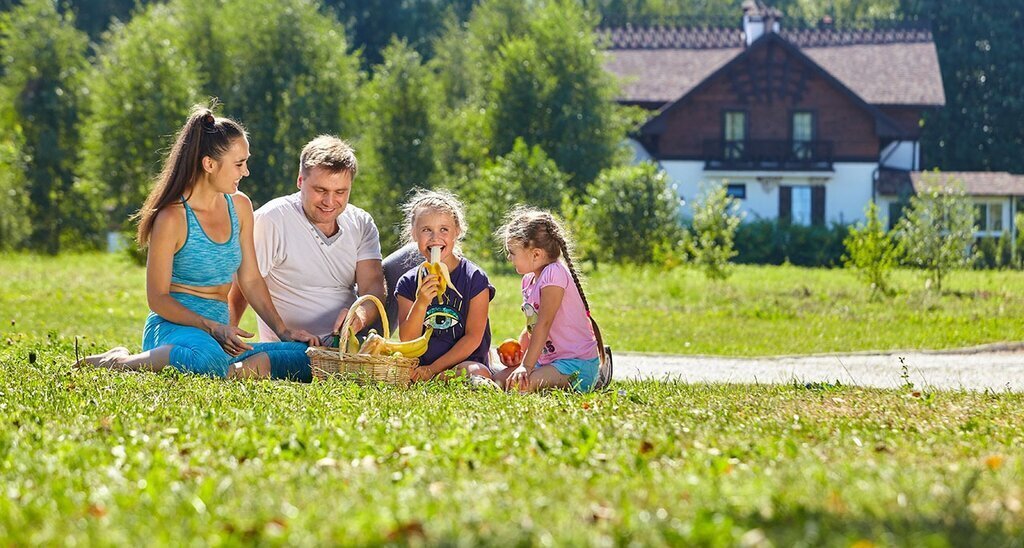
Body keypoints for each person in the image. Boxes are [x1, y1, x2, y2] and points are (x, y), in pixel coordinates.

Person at [78, 105, 318, 380]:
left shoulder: (240, 207)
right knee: (205, 359)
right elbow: (157, 299)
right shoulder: (172, 218)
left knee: (304, 357)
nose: (246, 172)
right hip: (173, 329)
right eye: (239, 164)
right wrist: (211, 327)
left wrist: (284, 331)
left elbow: (250, 279)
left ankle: (229, 371)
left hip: (220, 336)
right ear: (209, 164)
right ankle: (119, 361)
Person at [227, 135, 385, 345]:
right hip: (292, 345)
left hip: (348, 342)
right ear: (300, 180)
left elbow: (373, 287)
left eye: (340, 192)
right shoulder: (272, 219)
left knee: (406, 261)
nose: (330, 202)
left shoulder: (361, 222)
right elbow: (243, 283)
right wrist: (227, 334)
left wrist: (360, 317)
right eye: (321, 190)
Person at [492, 206, 602, 393]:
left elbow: (544, 323)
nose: (509, 258)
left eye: (512, 252)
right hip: (549, 363)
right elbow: (533, 325)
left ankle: (594, 378)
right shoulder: (529, 280)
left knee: (518, 386)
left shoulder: (554, 274)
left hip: (576, 365)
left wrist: (526, 367)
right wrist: (520, 354)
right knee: (497, 380)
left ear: (536, 254)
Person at [394, 189, 495, 383]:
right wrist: (422, 302)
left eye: (444, 229)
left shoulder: (474, 278)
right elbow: (407, 340)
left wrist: (433, 370)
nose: (435, 238)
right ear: (413, 233)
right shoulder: (407, 282)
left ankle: (437, 378)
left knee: (476, 372)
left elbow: (473, 337)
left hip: (463, 363)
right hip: (419, 366)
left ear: (457, 231)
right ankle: (432, 379)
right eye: (426, 230)